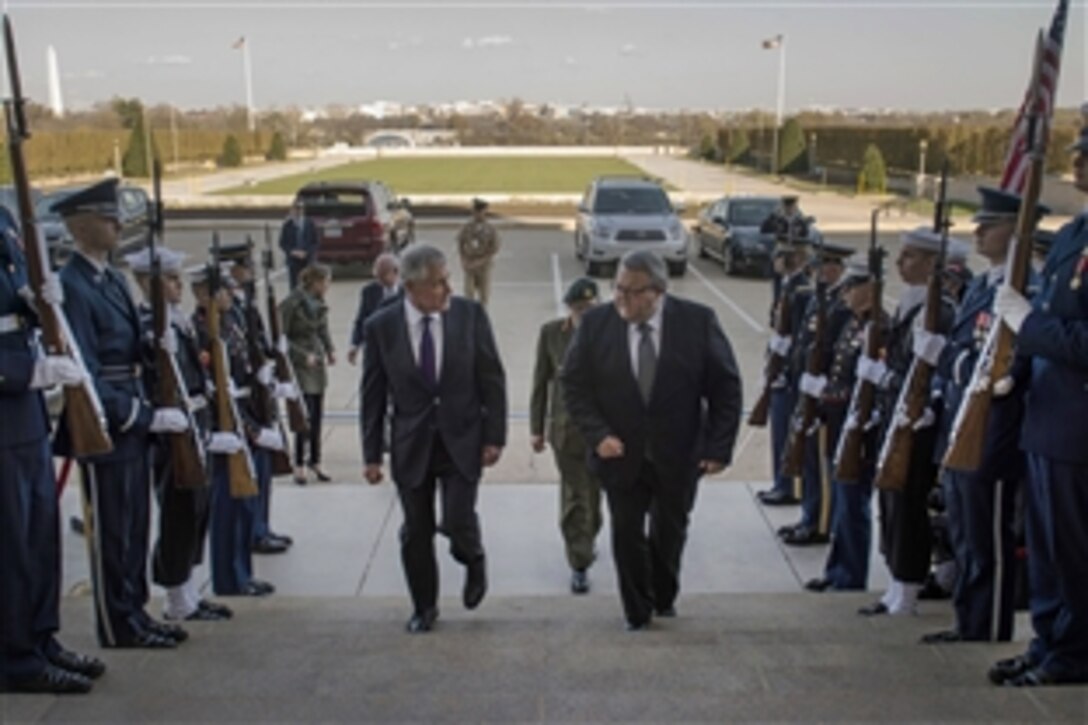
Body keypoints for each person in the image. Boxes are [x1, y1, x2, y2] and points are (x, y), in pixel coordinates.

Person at [561, 250, 743, 630]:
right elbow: (574, 386)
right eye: (618, 288)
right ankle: (636, 612)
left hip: (679, 454)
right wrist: (598, 435)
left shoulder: (696, 322)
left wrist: (718, 448)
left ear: (657, 291)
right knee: (626, 533)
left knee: (669, 532)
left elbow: (725, 388)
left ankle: (663, 596)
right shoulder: (596, 325)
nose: (621, 298)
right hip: (619, 454)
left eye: (631, 291)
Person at [52, 179, 188, 648]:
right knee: (112, 532)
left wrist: (155, 348)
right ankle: (118, 623)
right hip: (108, 423)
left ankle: (136, 610)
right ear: (82, 225)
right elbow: (86, 374)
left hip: (131, 413)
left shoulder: (108, 278)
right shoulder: (72, 286)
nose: (117, 225)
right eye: (108, 218)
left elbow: (128, 351)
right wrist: (143, 415)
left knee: (135, 524)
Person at [987, 111, 1088, 687]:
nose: (1075, 162)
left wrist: (1028, 328)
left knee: (1075, 552)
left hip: (1078, 425)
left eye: (1084, 155)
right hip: (1048, 417)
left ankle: (1073, 654)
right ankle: (1050, 641)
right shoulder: (1075, 233)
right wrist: (1015, 370)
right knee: (1046, 548)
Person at [921, 188, 1048, 645]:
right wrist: (949, 366)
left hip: (994, 429)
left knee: (988, 537)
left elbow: (1013, 362)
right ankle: (968, 620)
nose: (977, 232)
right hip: (964, 419)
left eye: (988, 226)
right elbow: (962, 345)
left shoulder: (1026, 289)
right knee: (966, 533)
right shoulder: (983, 285)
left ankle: (988, 626)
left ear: (1016, 233)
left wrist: (955, 366)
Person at [361, 244, 507, 633]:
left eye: (447, 280)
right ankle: (424, 606)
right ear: (412, 286)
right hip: (412, 443)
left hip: (463, 438)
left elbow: (492, 377)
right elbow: (373, 394)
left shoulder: (470, 316)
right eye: (438, 282)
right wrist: (371, 454)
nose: (447, 289)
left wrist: (495, 436)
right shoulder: (381, 326)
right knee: (416, 530)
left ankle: (473, 558)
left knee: (458, 519)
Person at [0, 208, 104, 693]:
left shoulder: (2, 217)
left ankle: (40, 639)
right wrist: (22, 372)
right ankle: (15, 657)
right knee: (11, 547)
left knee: (41, 535)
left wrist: (42, 311)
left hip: (25, 415)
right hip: (8, 400)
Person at [124, 246, 238, 623]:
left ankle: (187, 588)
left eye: (177, 279)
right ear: (147, 284)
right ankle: (175, 594)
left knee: (197, 511)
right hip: (171, 431)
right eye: (170, 280)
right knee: (178, 512)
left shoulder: (177, 322)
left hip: (195, 422)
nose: (178, 286)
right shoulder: (145, 325)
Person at [856, 227, 956, 617]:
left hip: (917, 425)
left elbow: (927, 376)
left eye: (911, 256)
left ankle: (909, 585)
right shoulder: (910, 305)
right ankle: (897, 583)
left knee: (909, 503)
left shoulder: (938, 310)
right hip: (895, 418)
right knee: (892, 502)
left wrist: (885, 379)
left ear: (933, 264)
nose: (901, 263)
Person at [190, 264, 279, 597]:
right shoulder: (199, 331)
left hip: (243, 416)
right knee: (226, 509)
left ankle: (243, 573)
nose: (229, 295)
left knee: (244, 503)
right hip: (225, 427)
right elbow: (208, 388)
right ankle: (228, 579)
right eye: (220, 290)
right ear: (202, 295)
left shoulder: (232, 322)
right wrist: (239, 429)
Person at [806, 253, 886, 592]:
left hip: (860, 430)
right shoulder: (853, 324)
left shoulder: (879, 327)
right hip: (840, 423)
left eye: (853, 286)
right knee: (842, 502)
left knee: (853, 505)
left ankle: (851, 575)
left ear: (871, 288)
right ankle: (837, 570)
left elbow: (873, 385)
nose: (846, 293)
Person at [530, 277, 603, 594]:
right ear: (569, 309)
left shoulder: (611, 332)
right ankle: (580, 562)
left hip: (604, 435)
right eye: (579, 309)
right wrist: (536, 428)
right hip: (566, 432)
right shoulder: (551, 335)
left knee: (594, 500)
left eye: (590, 308)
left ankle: (587, 539)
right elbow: (540, 382)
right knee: (576, 498)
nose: (585, 314)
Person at [221, 242, 295, 555]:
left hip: (258, 398)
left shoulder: (244, 308)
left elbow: (259, 347)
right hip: (245, 403)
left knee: (263, 470)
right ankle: (253, 532)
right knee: (252, 471)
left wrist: (274, 364)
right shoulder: (226, 314)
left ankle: (261, 527)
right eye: (245, 267)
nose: (250, 273)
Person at [779, 242, 854, 547]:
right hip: (806, 387)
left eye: (825, 267)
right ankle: (810, 515)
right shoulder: (818, 299)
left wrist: (820, 388)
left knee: (821, 463)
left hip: (824, 394)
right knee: (808, 458)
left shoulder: (840, 305)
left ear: (836, 269)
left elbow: (834, 352)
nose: (819, 272)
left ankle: (820, 523)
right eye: (817, 266)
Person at [756, 237, 812, 506]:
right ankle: (781, 482)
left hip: (790, 373)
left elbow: (800, 335)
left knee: (786, 430)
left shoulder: (801, 291)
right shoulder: (787, 285)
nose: (776, 261)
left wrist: (785, 362)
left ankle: (788, 485)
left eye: (783, 256)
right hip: (781, 369)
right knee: (779, 430)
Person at [280, 263, 336, 485]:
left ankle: (316, 459)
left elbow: (323, 328)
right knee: (302, 415)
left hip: (317, 361)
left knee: (317, 413)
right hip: (300, 364)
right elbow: (282, 338)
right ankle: (299, 463)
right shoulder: (292, 303)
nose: (327, 286)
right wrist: (302, 356)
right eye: (325, 282)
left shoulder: (318, 303)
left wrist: (329, 349)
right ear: (315, 282)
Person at [348, 253, 402, 366]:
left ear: (396, 272)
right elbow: (362, 319)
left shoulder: (408, 292)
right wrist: (355, 345)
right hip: (375, 350)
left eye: (383, 276)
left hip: (400, 350)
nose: (379, 280)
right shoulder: (369, 291)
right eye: (377, 276)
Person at [456, 198, 501, 307]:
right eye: (476, 212)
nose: (478, 215)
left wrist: (481, 261)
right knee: (468, 294)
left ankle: (481, 318)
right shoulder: (467, 227)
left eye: (481, 212)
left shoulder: (491, 229)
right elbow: (461, 243)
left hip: (484, 266)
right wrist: (463, 260)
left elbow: (494, 248)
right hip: (470, 264)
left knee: (484, 295)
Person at [278, 201, 318, 290]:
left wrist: (307, 252)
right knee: (294, 286)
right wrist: (292, 252)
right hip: (293, 261)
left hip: (307, 260)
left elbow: (315, 242)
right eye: (296, 209)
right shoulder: (288, 225)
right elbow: (282, 243)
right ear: (292, 210)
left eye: (300, 209)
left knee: (308, 285)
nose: (298, 211)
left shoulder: (309, 224)